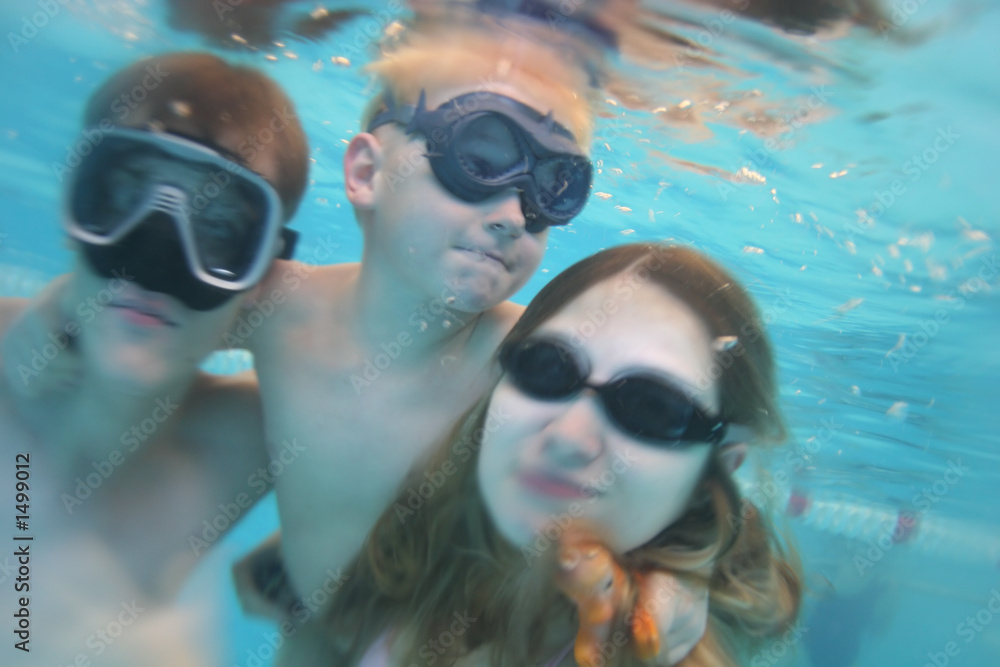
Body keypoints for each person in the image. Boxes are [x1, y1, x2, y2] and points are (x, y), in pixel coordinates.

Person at [279, 243, 802, 666]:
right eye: (547, 367)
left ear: (719, 468)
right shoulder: (422, 544)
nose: (569, 436)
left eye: (652, 408)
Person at [0, 51, 308, 664]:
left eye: (220, 229)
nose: (156, 260)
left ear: (264, 272)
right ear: (73, 204)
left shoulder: (248, 436)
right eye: (121, 197)